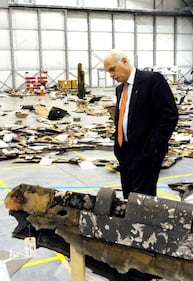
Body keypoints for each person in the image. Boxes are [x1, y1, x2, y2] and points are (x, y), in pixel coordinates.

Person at [103, 49, 178, 281]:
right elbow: (122, 118)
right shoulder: (120, 90)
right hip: (125, 154)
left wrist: (153, 148)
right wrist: (118, 145)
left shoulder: (151, 81)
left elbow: (170, 115)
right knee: (129, 198)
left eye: (112, 69)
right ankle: (136, 248)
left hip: (146, 154)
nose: (111, 75)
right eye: (108, 72)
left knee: (143, 202)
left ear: (124, 61)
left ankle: (147, 259)